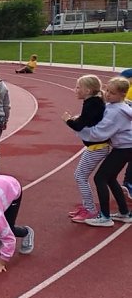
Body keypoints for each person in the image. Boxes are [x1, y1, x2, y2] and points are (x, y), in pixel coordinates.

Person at [76, 76, 132, 227]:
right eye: (107, 90)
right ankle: (124, 213)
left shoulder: (117, 112)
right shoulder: (117, 106)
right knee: (110, 178)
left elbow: (100, 133)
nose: (107, 94)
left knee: (100, 178)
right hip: (124, 146)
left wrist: (78, 127)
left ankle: (105, 217)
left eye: (112, 93)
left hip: (125, 148)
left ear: (122, 95)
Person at [62, 75, 107, 222]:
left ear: (87, 90)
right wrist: (78, 118)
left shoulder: (92, 104)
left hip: (97, 147)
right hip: (95, 145)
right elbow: (88, 119)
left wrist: (68, 119)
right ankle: (87, 206)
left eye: (78, 87)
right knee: (80, 176)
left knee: (80, 176)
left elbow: (79, 125)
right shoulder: (93, 102)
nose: (75, 90)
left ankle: (90, 210)